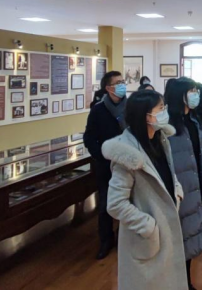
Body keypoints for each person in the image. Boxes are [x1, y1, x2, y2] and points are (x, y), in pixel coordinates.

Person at [103, 90, 187, 290]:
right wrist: (147, 225)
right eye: (160, 108)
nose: (165, 112)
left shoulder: (160, 139)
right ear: (146, 116)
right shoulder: (127, 154)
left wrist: (177, 189)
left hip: (166, 227)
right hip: (147, 237)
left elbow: (168, 172)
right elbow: (115, 204)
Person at [165, 77, 202, 290]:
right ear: (180, 95)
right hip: (180, 190)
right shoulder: (168, 126)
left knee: (189, 239)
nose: (196, 94)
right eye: (191, 91)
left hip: (196, 187)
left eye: (196, 90)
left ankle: (186, 283)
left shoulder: (194, 121)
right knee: (178, 241)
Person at [84, 71, 127, 260]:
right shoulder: (98, 110)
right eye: (118, 82)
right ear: (109, 88)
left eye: (123, 81)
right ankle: (106, 241)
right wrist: (101, 154)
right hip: (106, 165)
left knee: (130, 202)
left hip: (127, 163)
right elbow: (89, 137)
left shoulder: (131, 107)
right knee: (105, 205)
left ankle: (126, 239)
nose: (122, 85)